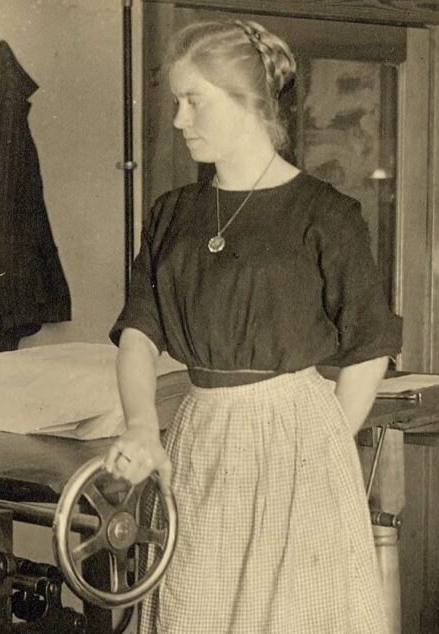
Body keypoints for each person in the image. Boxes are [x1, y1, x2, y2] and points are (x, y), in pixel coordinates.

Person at [101, 18, 402, 634]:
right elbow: (138, 332)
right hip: (200, 432)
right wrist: (140, 426)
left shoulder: (326, 213)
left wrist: (321, 448)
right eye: (176, 102)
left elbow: (369, 342)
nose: (180, 119)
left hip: (297, 438)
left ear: (249, 104)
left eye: (194, 101)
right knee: (197, 606)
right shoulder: (172, 214)